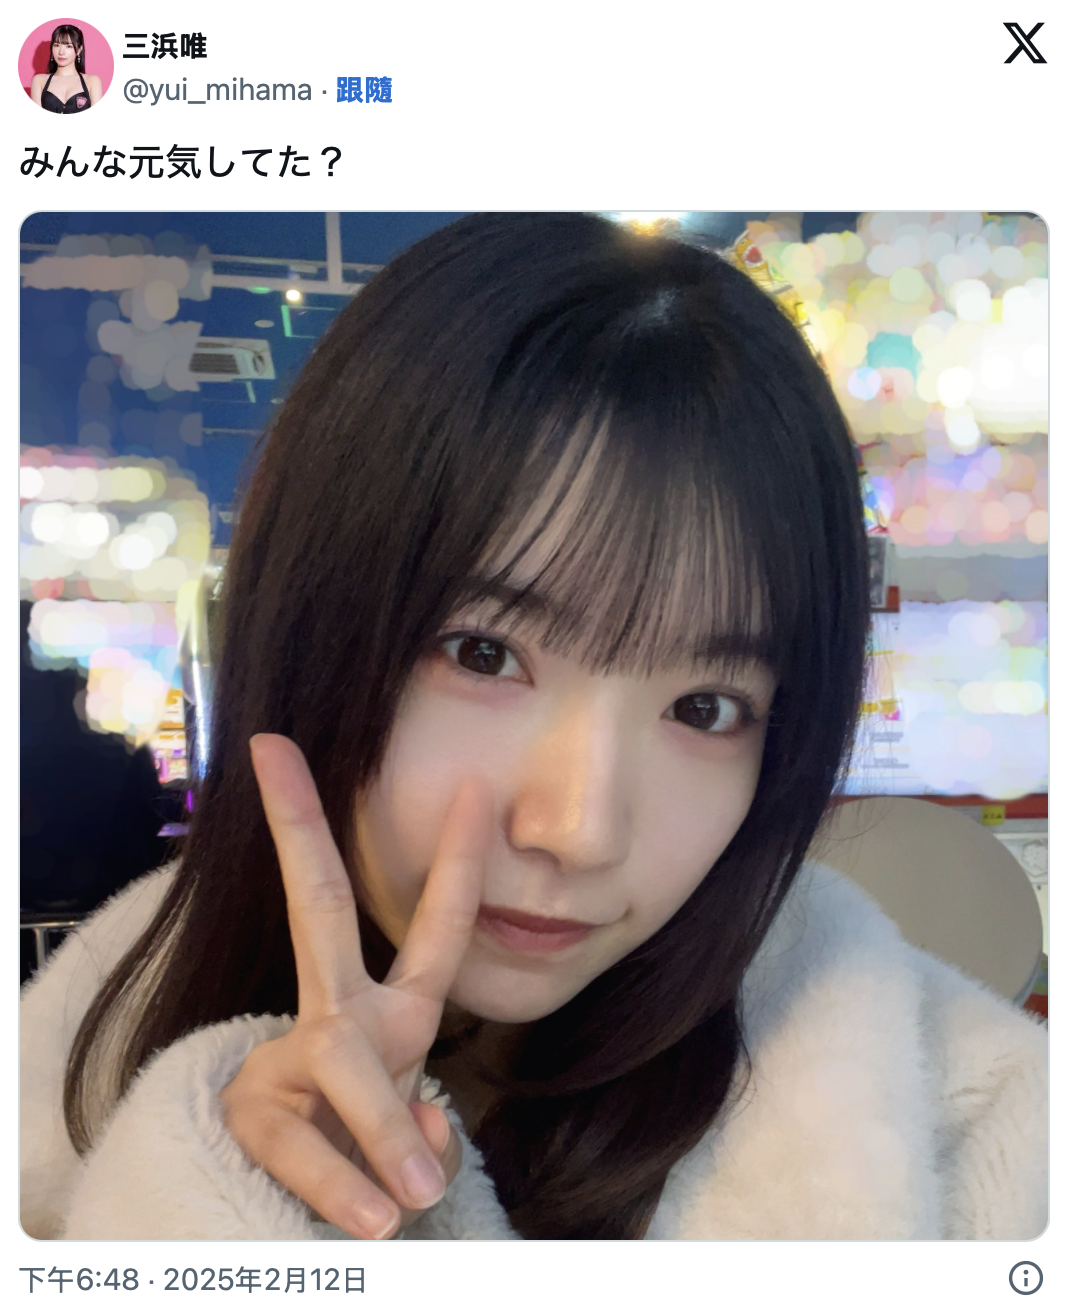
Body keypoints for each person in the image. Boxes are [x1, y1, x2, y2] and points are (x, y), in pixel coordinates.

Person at [20, 213, 1047, 1242]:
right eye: (482, 653)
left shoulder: (985, 1144)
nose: (579, 831)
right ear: (306, 624)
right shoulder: (63, 1085)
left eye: (705, 708)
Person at [30, 26, 101, 114]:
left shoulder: (92, 81)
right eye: (56, 45)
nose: (61, 52)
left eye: (68, 46)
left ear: (79, 49)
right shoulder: (39, 81)